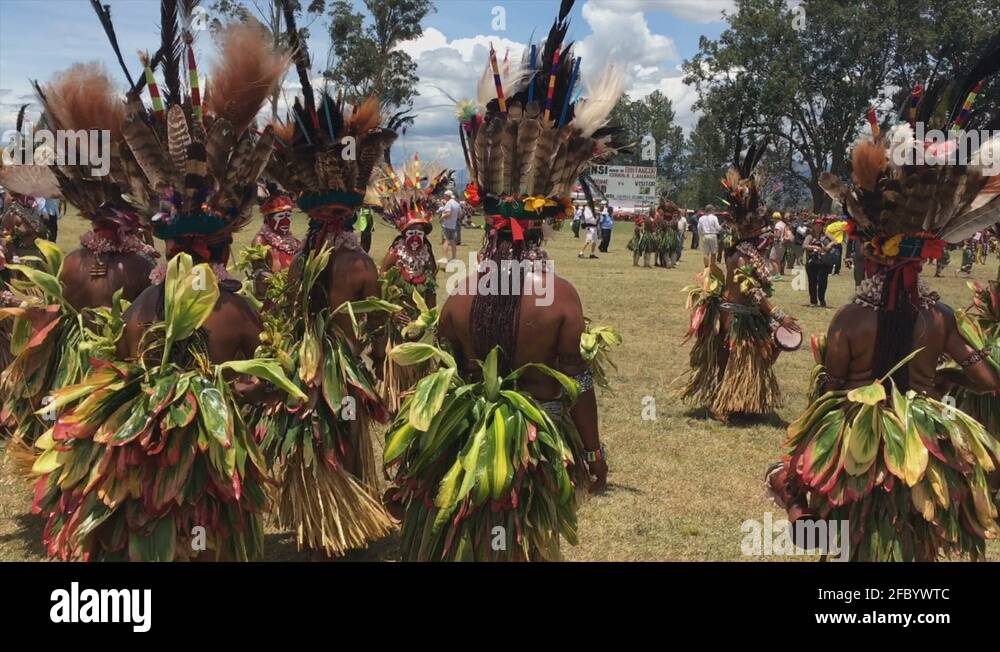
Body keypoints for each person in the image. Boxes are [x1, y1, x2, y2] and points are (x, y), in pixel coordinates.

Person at [31, 21, 295, 561]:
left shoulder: (143, 302)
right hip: (211, 482)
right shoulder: (238, 312)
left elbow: (124, 366)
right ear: (223, 242)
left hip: (146, 475)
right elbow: (261, 384)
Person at [384, 3, 613, 560]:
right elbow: (577, 383)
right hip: (530, 459)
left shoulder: (459, 295)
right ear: (545, 221)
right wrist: (593, 449)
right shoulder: (559, 299)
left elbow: (430, 380)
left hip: (462, 456)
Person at [766, 105, 1000, 561]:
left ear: (869, 253)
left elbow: (829, 396)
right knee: (914, 545)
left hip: (853, 446)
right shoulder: (941, 318)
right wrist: (946, 379)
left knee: (842, 543)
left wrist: (798, 472)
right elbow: (991, 382)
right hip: (922, 449)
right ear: (926, 254)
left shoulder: (849, 319)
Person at [260, 10, 399, 557]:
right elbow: (375, 321)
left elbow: (288, 309)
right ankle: (339, 516)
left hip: (304, 366)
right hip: (342, 367)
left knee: (320, 441)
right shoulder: (361, 264)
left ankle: (323, 518)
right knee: (342, 436)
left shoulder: (301, 255)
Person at [677, 142, 800, 422]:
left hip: (747, 314)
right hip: (737, 315)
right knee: (734, 358)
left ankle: (740, 400)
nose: (764, 227)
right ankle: (724, 403)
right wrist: (778, 315)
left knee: (763, 351)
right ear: (749, 226)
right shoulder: (741, 253)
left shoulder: (748, 250)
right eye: (761, 223)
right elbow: (752, 289)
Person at [375, 155, 445, 411]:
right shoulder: (395, 253)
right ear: (403, 235)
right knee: (398, 358)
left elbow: (432, 286)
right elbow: (382, 283)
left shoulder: (427, 254)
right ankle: (395, 397)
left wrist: (430, 315)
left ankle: (415, 393)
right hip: (398, 319)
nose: (415, 238)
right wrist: (394, 311)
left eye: (420, 233)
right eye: (411, 233)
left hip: (418, 319)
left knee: (417, 357)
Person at [802, 217, 834, 307]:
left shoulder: (826, 236)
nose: (818, 227)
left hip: (823, 262)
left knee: (822, 282)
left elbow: (834, 241)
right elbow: (804, 245)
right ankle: (813, 301)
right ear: (813, 226)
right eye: (816, 225)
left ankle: (822, 299)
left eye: (820, 225)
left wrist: (827, 246)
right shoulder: (809, 236)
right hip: (811, 262)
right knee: (812, 282)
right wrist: (814, 247)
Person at [439, 189, 462, 261]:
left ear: (447, 196)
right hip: (453, 225)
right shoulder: (457, 204)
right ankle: (454, 257)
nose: (444, 197)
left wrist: (442, 218)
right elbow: (460, 215)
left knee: (445, 241)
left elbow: (448, 213)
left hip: (447, 225)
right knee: (452, 241)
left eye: (445, 196)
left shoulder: (449, 203)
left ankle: (444, 257)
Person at [769, 211, 787, 279]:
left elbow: (777, 235)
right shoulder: (783, 224)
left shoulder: (777, 225)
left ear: (774, 218)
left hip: (778, 244)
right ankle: (778, 274)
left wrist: (771, 234)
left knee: (772, 259)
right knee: (777, 260)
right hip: (783, 244)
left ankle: (777, 274)